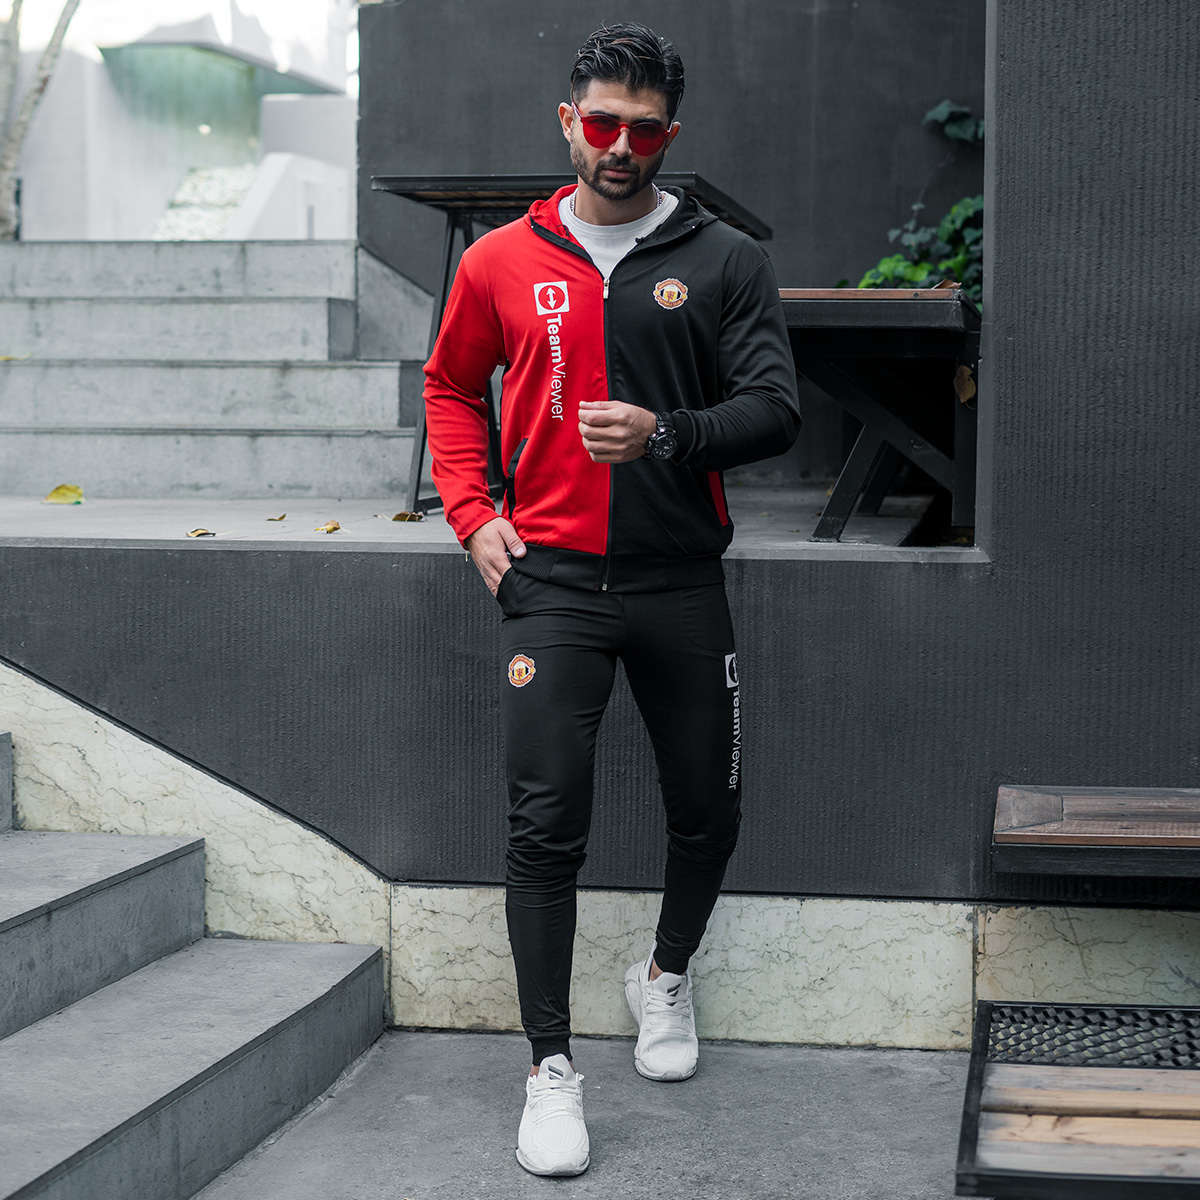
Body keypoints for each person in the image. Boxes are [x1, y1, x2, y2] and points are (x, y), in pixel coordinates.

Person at [423, 20, 801, 1177]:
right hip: (549, 584)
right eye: (601, 122)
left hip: (680, 579)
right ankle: (550, 1072)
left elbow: (776, 409)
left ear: (669, 135)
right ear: (568, 122)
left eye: (644, 129)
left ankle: (665, 977)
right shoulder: (501, 260)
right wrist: (473, 515)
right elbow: (449, 387)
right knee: (545, 831)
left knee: (710, 810)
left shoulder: (725, 258)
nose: (620, 145)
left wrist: (667, 433)